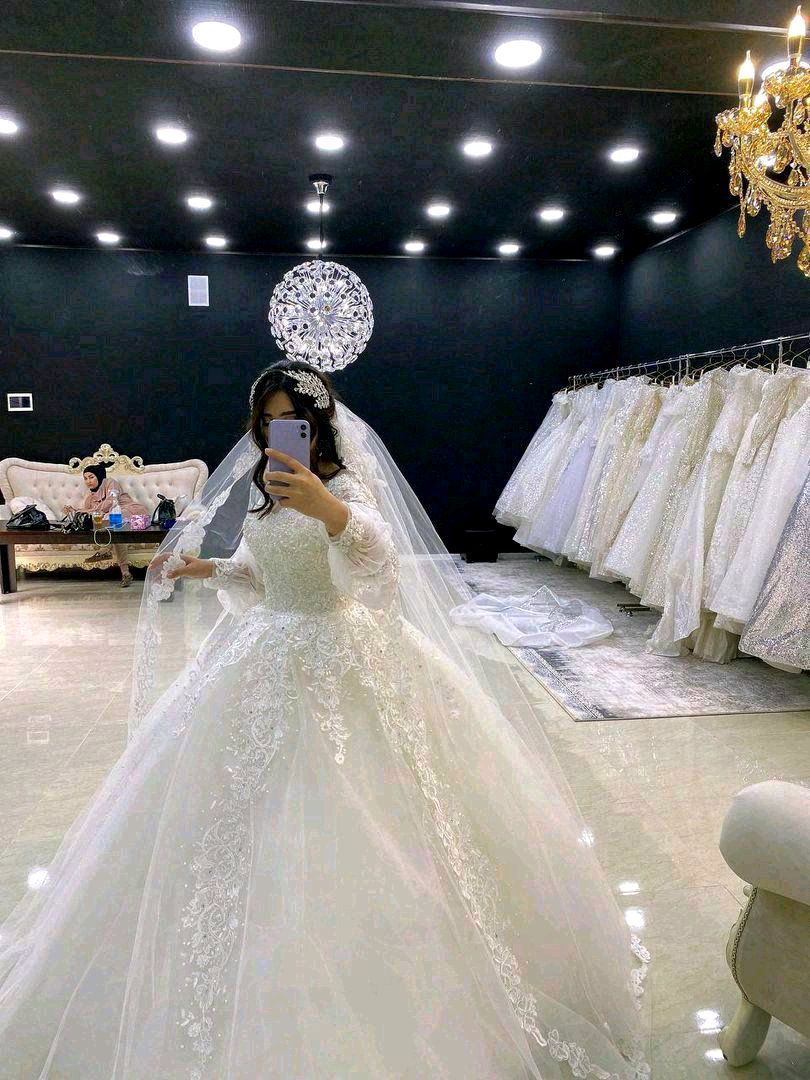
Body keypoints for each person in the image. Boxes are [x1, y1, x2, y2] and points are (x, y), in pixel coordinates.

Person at [0, 360, 650, 1079]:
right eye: (269, 423)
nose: (281, 435)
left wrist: (328, 509)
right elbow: (266, 575)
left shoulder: (342, 489)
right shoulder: (267, 490)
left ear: (319, 423)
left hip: (344, 657)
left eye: (295, 422)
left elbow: (378, 563)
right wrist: (206, 568)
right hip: (264, 648)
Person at [64, 462, 149, 587]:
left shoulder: (110, 482)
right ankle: (126, 573)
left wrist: (88, 511)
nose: (88, 481)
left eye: (91, 477)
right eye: (85, 478)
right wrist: (74, 511)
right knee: (115, 532)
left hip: (132, 513)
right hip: (118, 524)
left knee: (113, 518)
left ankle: (105, 550)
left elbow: (111, 503)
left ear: (99, 476)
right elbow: (90, 514)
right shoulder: (90, 498)